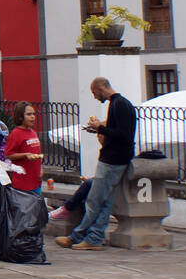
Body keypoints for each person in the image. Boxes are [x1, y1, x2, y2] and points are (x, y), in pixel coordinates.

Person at [56, 77, 136, 252]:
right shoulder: (120, 103)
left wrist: (100, 127)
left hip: (113, 160)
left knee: (94, 200)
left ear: (101, 88)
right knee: (105, 201)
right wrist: (97, 129)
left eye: (94, 93)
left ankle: (78, 237)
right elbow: (120, 134)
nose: (94, 97)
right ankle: (94, 237)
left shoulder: (119, 104)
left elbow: (124, 135)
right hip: (115, 159)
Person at [4, 102, 43, 194]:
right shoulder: (16, 134)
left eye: (34, 114)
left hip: (36, 181)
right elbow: (8, 154)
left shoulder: (33, 132)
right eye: (29, 114)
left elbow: (37, 154)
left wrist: (41, 169)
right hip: (23, 183)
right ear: (20, 117)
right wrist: (25, 155)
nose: (33, 116)